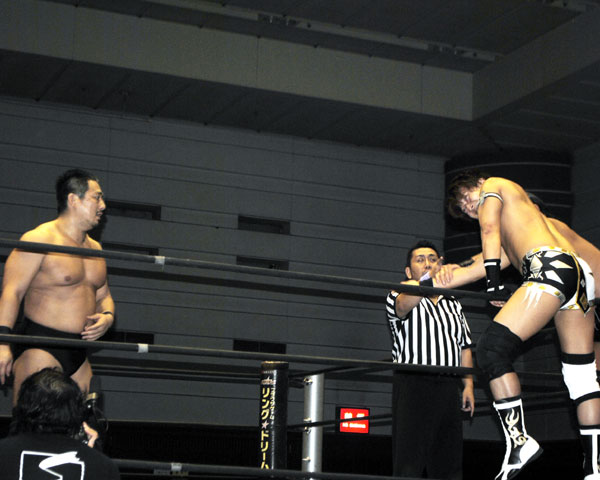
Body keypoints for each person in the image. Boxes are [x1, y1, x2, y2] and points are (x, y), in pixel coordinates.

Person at [444, 171, 600, 480]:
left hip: (548, 268)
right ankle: (594, 468)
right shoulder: (536, 231)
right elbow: (470, 267)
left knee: (491, 350)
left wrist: (494, 285)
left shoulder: (493, 185)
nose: (468, 207)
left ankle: (518, 441)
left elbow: (488, 229)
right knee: (581, 378)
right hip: (579, 278)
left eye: (466, 197)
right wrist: (429, 277)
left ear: (479, 184)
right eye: (462, 208)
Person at [0, 169, 115, 403]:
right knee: (36, 420)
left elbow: (104, 295)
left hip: (78, 352)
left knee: (87, 420)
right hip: (41, 346)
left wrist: (108, 317)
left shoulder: (96, 249)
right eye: (96, 197)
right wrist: (2, 344)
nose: (102, 206)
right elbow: (12, 292)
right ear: (73, 199)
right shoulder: (40, 239)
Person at [385, 240, 474, 480]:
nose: (427, 264)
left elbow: (464, 345)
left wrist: (468, 384)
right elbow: (403, 306)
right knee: (409, 459)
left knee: (448, 459)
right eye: (420, 259)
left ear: (441, 264)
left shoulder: (452, 303)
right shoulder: (397, 294)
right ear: (408, 271)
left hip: (448, 385)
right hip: (413, 383)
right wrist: (428, 280)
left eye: (433, 259)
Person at [0, 367, 120, 479]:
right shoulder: (103, 467)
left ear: (22, 406)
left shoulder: (4, 453)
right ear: (77, 410)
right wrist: (92, 456)